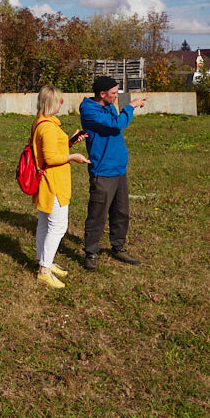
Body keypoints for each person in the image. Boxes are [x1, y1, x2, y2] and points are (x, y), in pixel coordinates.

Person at [79, 75, 147, 269]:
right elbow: (117, 124)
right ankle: (91, 252)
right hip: (103, 171)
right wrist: (131, 106)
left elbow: (116, 121)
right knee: (98, 214)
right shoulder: (90, 111)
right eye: (114, 93)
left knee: (121, 212)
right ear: (102, 94)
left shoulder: (108, 105)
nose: (117, 96)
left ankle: (118, 247)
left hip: (119, 169)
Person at [30, 85, 89, 289]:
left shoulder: (45, 122)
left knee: (45, 223)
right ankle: (44, 270)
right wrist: (72, 157)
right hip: (53, 183)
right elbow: (49, 158)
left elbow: (53, 148)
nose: (62, 103)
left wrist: (70, 141)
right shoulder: (47, 127)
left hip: (49, 181)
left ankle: (43, 260)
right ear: (51, 103)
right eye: (59, 101)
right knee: (58, 226)